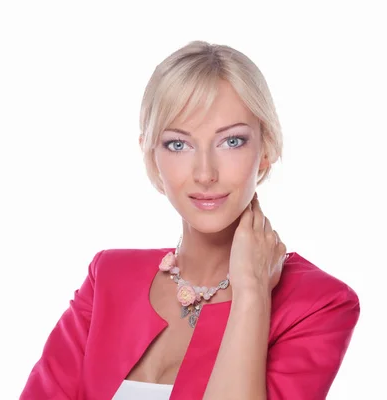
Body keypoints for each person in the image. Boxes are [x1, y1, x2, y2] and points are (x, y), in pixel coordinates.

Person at [19, 41, 360, 400]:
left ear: (266, 149)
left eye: (232, 141)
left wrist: (252, 294)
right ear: (152, 158)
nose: (205, 173)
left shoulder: (319, 303)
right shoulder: (108, 276)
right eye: (178, 145)